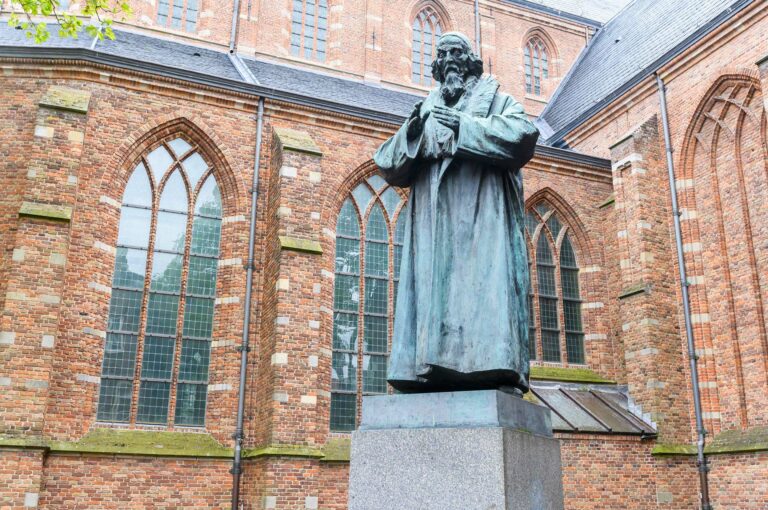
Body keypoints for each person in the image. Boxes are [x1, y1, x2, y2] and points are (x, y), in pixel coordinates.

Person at [373, 31, 539, 395]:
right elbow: (387, 162)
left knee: (478, 294)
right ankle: (428, 367)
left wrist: (464, 127)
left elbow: (524, 134)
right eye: (442, 53)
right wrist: (414, 130)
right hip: (433, 224)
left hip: (481, 218)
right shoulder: (428, 105)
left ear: (469, 61)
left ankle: (485, 364)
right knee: (435, 298)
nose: (449, 59)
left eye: (456, 53)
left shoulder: (495, 97)